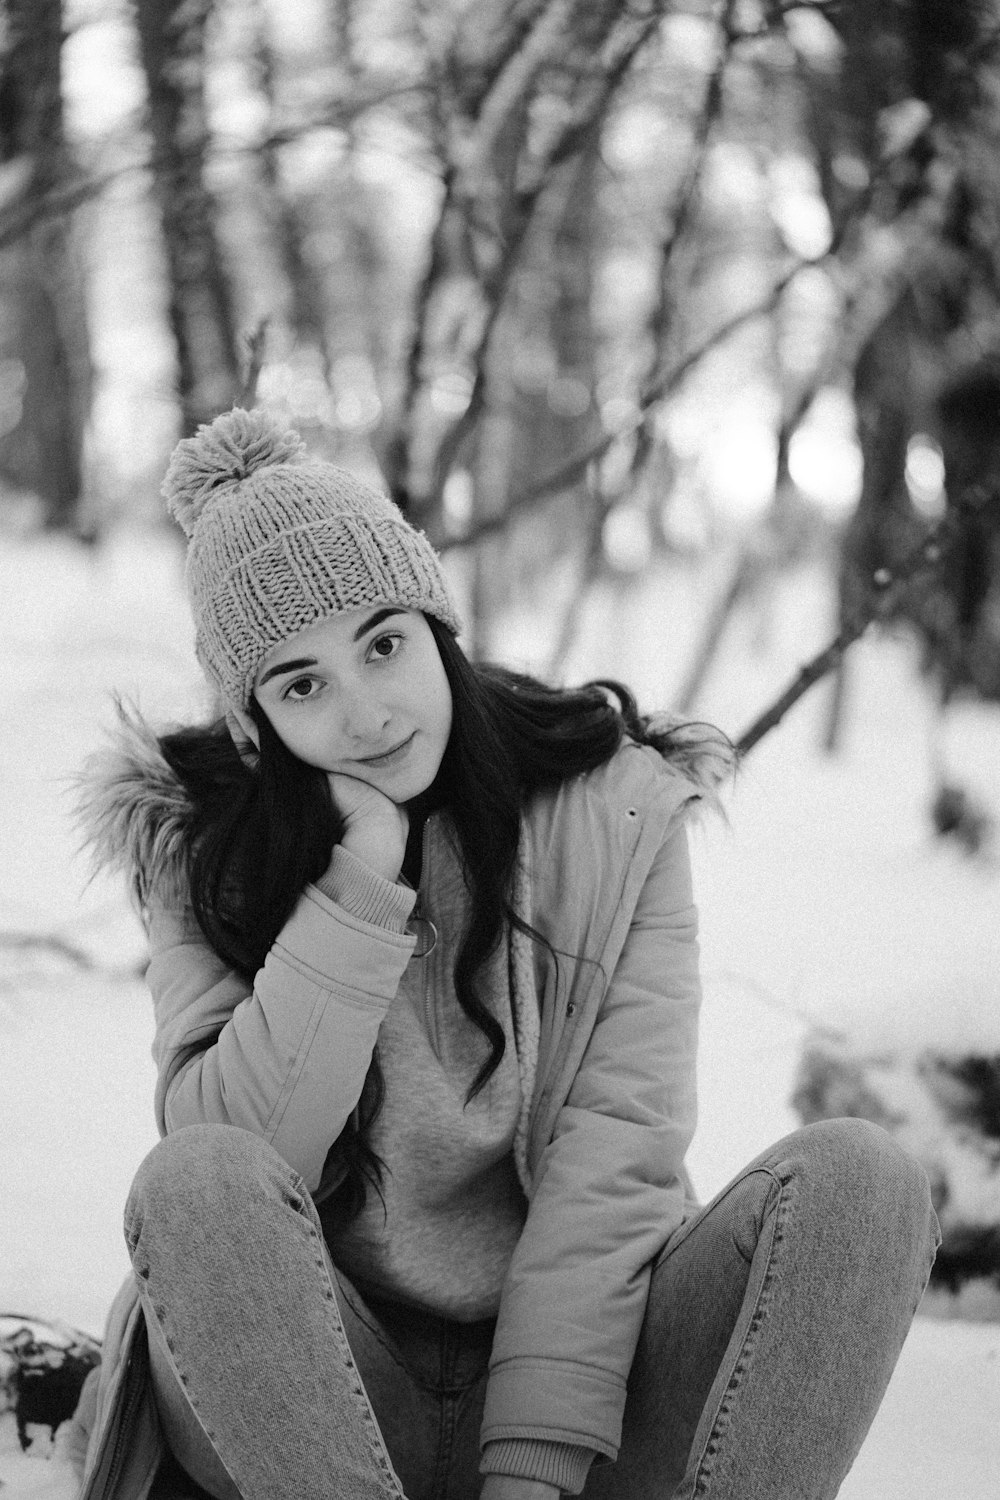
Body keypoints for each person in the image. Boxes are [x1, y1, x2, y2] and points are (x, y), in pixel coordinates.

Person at [64, 408, 939, 1500]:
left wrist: (531, 1469)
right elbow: (239, 1171)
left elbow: (615, 1161)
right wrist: (355, 890)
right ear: (257, 723)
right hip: (316, 1403)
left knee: (863, 1181)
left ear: (438, 625)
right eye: (301, 685)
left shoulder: (608, 813)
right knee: (191, 1177)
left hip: (595, 1388)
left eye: (383, 645)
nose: (366, 713)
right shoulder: (202, 850)